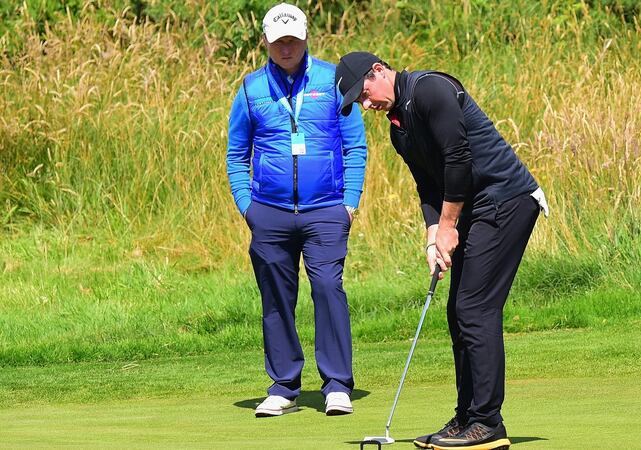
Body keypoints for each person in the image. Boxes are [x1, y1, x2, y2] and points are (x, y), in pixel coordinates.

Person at [335, 52, 549, 449]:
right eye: (358, 102)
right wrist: (434, 234)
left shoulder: (431, 89)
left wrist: (450, 225)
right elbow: (428, 185)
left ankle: (488, 423)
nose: (365, 105)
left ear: (378, 71)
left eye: (363, 94)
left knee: (475, 308)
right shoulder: (399, 130)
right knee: (458, 311)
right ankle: (467, 416)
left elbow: (458, 159)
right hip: (477, 205)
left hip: (507, 198)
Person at [226, 4, 367, 418]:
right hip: (268, 211)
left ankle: (337, 384)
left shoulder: (332, 79)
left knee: (327, 287)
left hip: (326, 209)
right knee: (275, 296)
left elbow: (354, 144)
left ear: (306, 38)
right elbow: (236, 153)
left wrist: (350, 203)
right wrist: (247, 207)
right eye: (278, 41)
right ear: (266, 42)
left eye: (293, 39)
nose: (286, 48)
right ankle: (284, 385)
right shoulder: (251, 88)